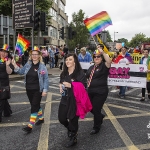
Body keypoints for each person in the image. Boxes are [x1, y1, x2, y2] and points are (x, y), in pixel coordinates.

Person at [11, 46, 49, 133]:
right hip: (29, 89)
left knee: (34, 106)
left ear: (39, 56)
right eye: (33, 54)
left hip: (38, 90)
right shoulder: (28, 64)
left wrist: (45, 90)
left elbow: (46, 79)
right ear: (31, 56)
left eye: (36, 54)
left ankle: (30, 125)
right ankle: (41, 118)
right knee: (35, 105)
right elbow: (21, 72)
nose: (34, 56)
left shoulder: (42, 66)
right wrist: (14, 65)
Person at [58, 53, 87, 147]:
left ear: (75, 61)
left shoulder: (80, 74)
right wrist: (60, 86)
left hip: (75, 101)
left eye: (70, 59)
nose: (67, 61)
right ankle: (70, 129)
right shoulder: (64, 73)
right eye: (66, 60)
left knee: (73, 120)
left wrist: (71, 85)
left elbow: (84, 87)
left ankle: (73, 137)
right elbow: (61, 82)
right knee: (62, 119)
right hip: (64, 99)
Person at [86, 46, 111, 135]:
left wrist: (103, 52)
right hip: (90, 91)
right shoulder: (91, 67)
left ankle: (96, 127)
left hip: (100, 92)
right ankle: (100, 116)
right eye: (95, 57)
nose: (96, 58)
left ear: (101, 58)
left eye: (98, 56)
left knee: (96, 109)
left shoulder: (104, 66)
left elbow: (109, 61)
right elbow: (86, 77)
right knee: (89, 107)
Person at [0, 44, 13, 122]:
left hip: (4, 82)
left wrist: (7, 65)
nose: (3, 53)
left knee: (1, 98)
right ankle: (7, 112)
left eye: (5, 52)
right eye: (2, 51)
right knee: (3, 98)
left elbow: (10, 72)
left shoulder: (8, 60)